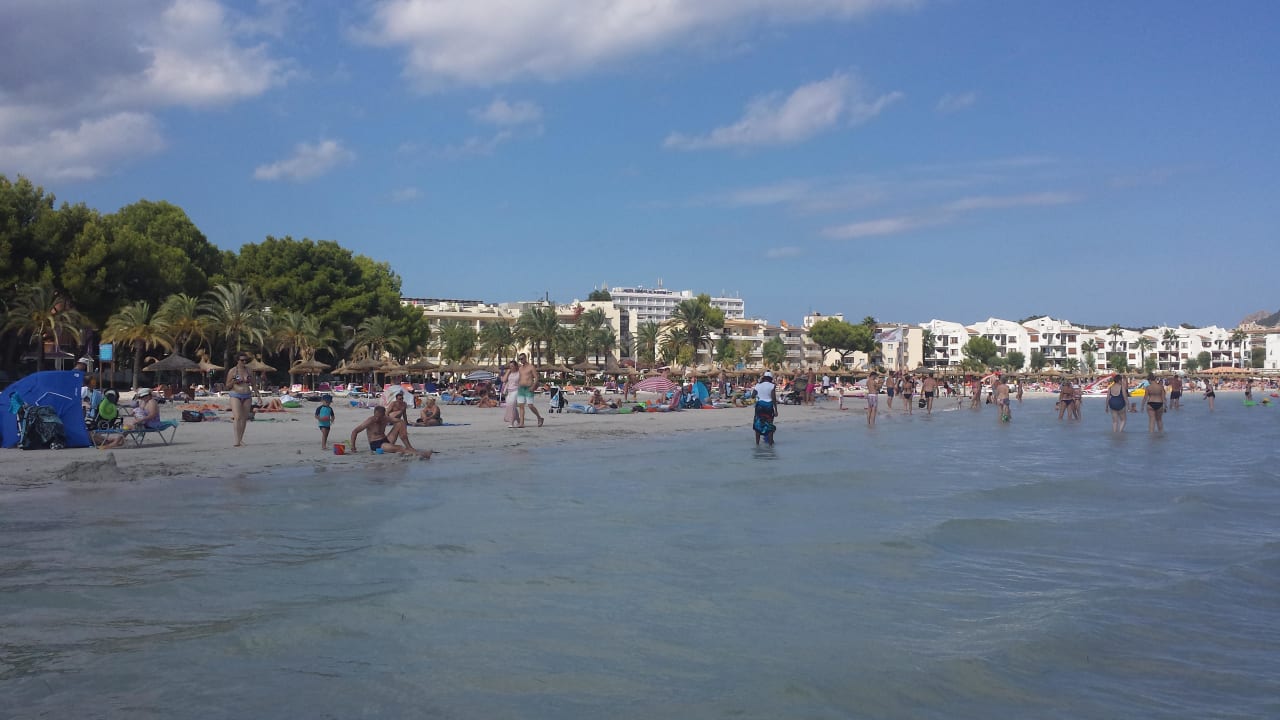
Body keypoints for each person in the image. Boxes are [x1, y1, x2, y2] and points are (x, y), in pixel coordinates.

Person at [347, 406, 432, 458]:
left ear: (383, 415)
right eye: (376, 416)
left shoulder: (385, 418)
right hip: (377, 445)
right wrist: (353, 447)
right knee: (399, 448)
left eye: (379, 417)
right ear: (374, 414)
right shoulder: (370, 421)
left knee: (400, 423)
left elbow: (400, 421)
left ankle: (409, 446)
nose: (377, 419)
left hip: (386, 439)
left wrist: (404, 424)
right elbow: (355, 431)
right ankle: (421, 454)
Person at [225, 353, 256, 447]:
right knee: (237, 417)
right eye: (242, 360)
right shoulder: (233, 371)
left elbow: (254, 384)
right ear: (237, 361)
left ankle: (241, 439)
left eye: (245, 360)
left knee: (244, 418)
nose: (244, 362)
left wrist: (258, 396)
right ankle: (237, 440)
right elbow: (227, 386)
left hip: (247, 395)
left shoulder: (249, 371)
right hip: (235, 395)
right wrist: (234, 381)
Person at [516, 353, 544, 428]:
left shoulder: (531, 367)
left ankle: (539, 417)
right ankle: (522, 423)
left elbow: (536, 378)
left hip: (529, 388)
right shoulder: (520, 368)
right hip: (521, 388)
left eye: (522, 358)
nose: (521, 360)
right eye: (519, 359)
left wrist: (533, 386)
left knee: (530, 405)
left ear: (525, 358)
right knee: (521, 406)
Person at [752, 371, 778, 445]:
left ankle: (757, 444)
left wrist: (758, 395)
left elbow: (753, 395)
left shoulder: (758, 385)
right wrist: (776, 410)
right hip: (769, 406)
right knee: (769, 424)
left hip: (759, 406)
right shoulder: (772, 386)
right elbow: (773, 398)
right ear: (770, 378)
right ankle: (770, 444)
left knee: (758, 424)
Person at [502, 360, 521, 428]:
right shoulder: (509, 373)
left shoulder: (519, 373)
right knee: (511, 407)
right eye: (510, 366)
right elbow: (503, 380)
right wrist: (507, 372)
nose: (511, 367)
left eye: (512, 366)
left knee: (512, 405)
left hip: (516, 391)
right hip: (509, 391)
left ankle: (511, 423)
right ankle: (519, 421)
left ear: (516, 366)